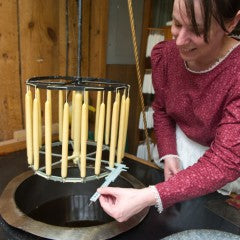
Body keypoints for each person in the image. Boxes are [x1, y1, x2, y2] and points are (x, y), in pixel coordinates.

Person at [97, 0, 240, 222]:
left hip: (222, 166)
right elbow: (162, 110)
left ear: (232, 24)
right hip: (180, 149)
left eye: (197, 30)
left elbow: (225, 160)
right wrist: (170, 152)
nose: (180, 41)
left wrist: (149, 196)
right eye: (176, 23)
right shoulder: (167, 56)